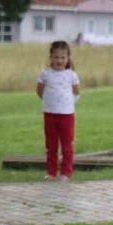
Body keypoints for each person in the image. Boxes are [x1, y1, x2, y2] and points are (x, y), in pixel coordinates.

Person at [36, 40, 80, 181]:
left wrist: (66, 105)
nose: (59, 60)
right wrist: (50, 102)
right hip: (49, 115)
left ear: (68, 58)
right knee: (51, 146)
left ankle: (66, 173)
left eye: (63, 57)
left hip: (67, 116)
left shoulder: (71, 75)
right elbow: (40, 91)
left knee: (67, 146)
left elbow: (76, 93)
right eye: (56, 57)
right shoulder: (45, 74)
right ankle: (51, 173)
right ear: (51, 57)